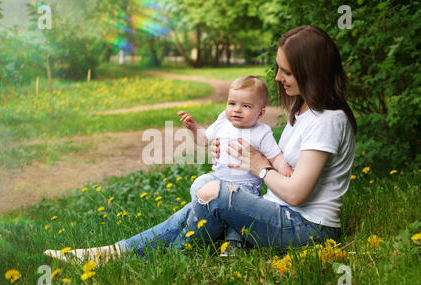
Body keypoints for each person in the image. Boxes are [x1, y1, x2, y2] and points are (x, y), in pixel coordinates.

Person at [44, 25, 356, 263]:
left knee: (214, 194)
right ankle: (112, 252)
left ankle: (175, 254)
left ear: (310, 71)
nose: (277, 77)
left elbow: (297, 193)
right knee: (205, 195)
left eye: (286, 71)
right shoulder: (302, 110)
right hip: (279, 212)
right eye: (278, 68)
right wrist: (239, 154)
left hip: (308, 230)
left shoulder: (328, 120)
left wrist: (258, 166)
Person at [177, 75, 293, 255]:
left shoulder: (262, 132)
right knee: (199, 183)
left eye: (246, 106)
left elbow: (275, 156)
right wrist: (193, 128)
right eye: (232, 103)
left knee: (237, 221)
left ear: (260, 113)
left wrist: (284, 169)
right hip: (217, 179)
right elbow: (205, 140)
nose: (236, 110)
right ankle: (205, 225)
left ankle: (232, 244)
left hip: (244, 188)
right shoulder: (223, 120)